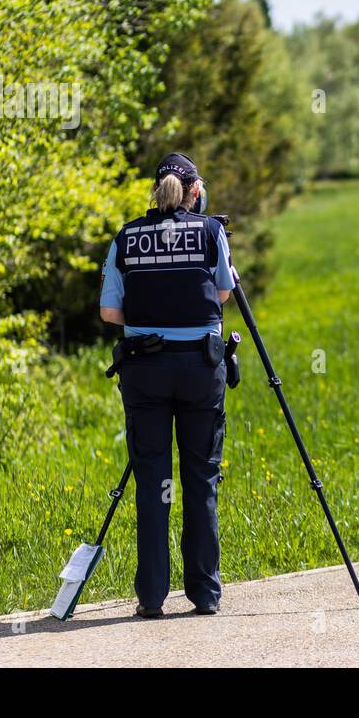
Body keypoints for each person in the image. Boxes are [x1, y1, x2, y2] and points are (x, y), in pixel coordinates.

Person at [99, 153, 235, 618]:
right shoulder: (212, 234)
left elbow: (110, 313)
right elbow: (221, 295)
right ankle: (205, 594)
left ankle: (152, 597)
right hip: (200, 368)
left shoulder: (126, 237)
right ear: (195, 191)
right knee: (201, 479)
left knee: (154, 482)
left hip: (145, 371)